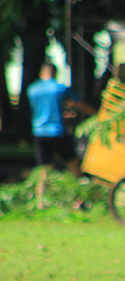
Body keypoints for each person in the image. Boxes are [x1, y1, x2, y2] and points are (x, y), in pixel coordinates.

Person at [26, 63, 96, 201]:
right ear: (55, 73)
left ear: (41, 73)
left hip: (39, 132)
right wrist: (96, 113)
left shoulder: (32, 90)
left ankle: (41, 201)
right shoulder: (60, 88)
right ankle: (81, 198)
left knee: (43, 169)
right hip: (57, 131)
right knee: (74, 164)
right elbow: (79, 104)